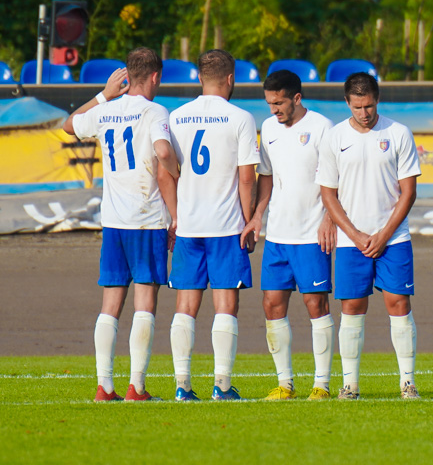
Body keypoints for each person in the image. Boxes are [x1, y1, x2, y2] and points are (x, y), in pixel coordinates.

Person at [63, 47, 179, 402]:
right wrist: (177, 172)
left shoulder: (107, 111)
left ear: (128, 75)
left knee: (110, 303)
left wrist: (103, 95)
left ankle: (104, 385)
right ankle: (136, 387)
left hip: (113, 222)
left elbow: (68, 126)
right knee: (146, 300)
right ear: (156, 76)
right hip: (146, 220)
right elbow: (161, 151)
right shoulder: (155, 110)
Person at [316, 72, 422, 400]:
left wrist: (385, 233)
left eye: (370, 105)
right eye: (358, 107)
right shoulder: (334, 138)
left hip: (393, 238)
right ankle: (350, 385)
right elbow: (328, 194)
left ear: (378, 100)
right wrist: (356, 234)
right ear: (347, 103)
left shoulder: (398, 133)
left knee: (398, 302)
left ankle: (407, 382)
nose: (365, 113)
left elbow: (408, 191)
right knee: (352, 306)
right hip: (352, 241)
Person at [167, 49, 260, 401]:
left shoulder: (177, 116)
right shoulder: (240, 117)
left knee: (185, 305)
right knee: (225, 304)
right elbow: (247, 177)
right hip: (226, 226)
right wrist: (248, 219)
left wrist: (175, 216)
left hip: (189, 224)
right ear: (231, 78)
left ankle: (182, 384)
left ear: (199, 78)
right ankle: (222, 385)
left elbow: (167, 168)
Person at [240, 70, 337, 401]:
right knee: (271, 303)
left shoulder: (323, 128)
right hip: (278, 235)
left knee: (315, 303)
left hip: (312, 234)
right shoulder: (267, 129)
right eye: (269, 103)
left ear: (297, 98)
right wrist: (256, 217)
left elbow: (336, 179)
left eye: (279, 103)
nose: (273, 110)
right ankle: (285, 383)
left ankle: (321, 385)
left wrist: (329, 219)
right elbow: (266, 178)